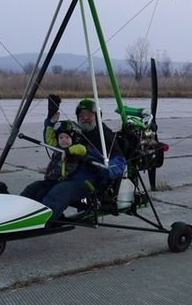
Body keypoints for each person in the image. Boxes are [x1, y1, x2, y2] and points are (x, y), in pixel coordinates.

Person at [20, 95, 126, 225]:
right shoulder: (77, 130)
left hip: (87, 182)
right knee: (34, 189)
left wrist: (97, 163)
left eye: (89, 115)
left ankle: (41, 223)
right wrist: (51, 118)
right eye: (82, 115)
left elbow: (120, 164)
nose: (85, 118)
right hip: (65, 176)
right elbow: (55, 138)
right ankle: (16, 217)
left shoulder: (105, 136)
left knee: (59, 192)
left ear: (98, 117)